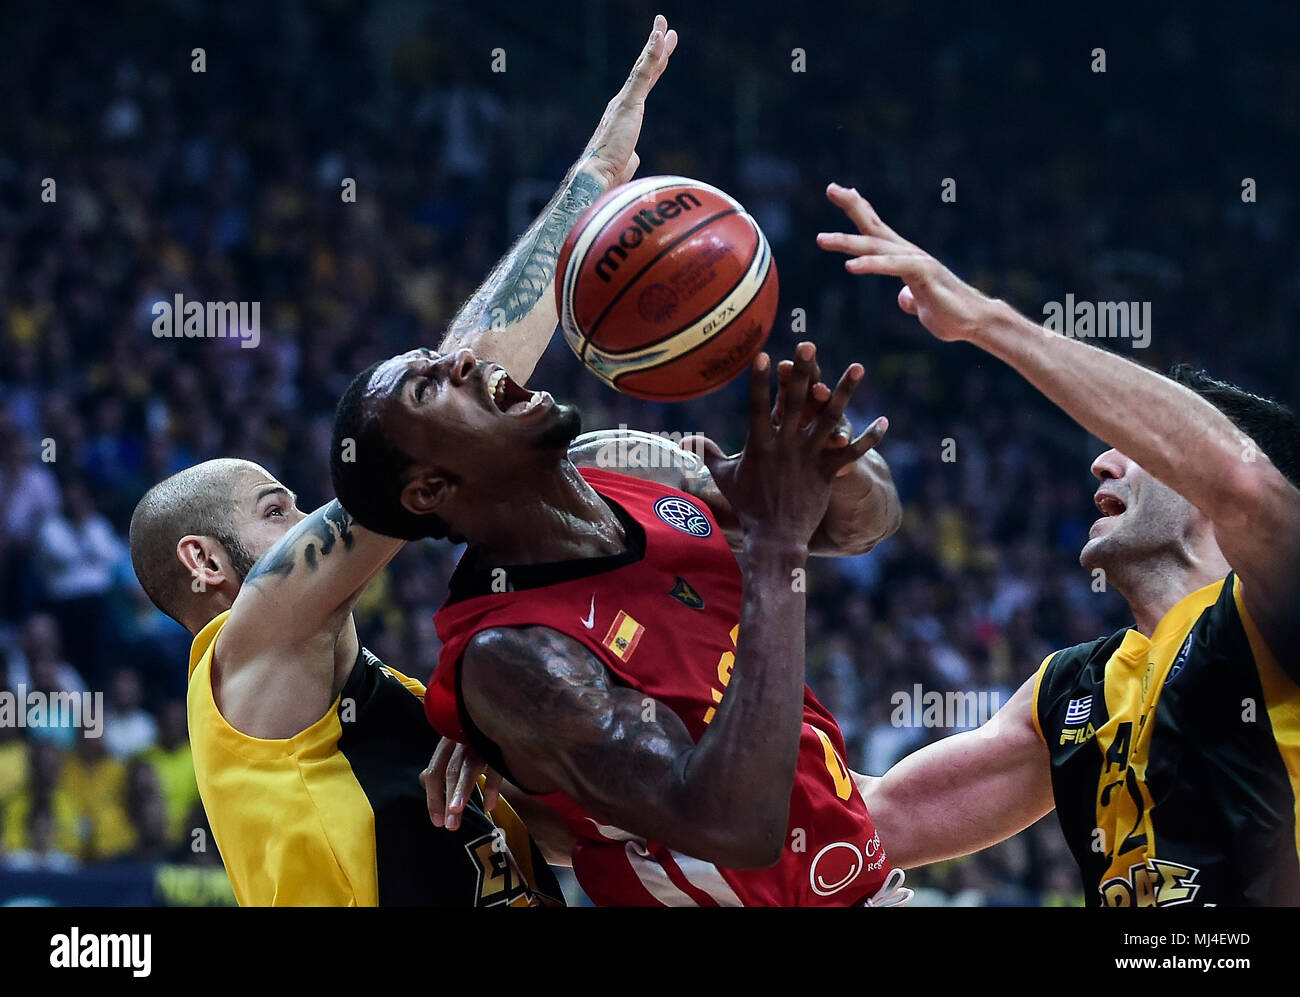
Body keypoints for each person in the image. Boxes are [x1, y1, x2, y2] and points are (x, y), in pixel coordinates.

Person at [126, 15, 680, 906]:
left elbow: (562, 842)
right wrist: (588, 188)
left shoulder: (402, 705)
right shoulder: (243, 653)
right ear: (205, 561)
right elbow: (433, 425)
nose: (315, 518)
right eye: (277, 510)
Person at [817, 182, 1300, 906]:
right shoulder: (1072, 688)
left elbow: (1243, 479)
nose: (1102, 462)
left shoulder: (1273, 616)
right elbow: (876, 816)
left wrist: (984, 320)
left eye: (1134, 447)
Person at [329, 338, 908, 907]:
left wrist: (826, 457)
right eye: (427, 387)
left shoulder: (624, 462)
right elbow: (736, 829)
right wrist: (778, 543)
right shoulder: (510, 656)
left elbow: (865, 525)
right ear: (429, 489)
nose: (459, 359)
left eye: (440, 356)